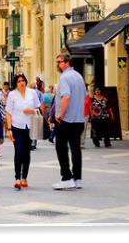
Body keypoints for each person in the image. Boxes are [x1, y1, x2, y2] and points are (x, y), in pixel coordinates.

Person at [52, 53, 87, 190]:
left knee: (60, 147)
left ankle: (66, 177)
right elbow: (84, 95)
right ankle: (77, 178)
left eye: (60, 62)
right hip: (78, 119)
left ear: (67, 62)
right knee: (75, 149)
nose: (58, 65)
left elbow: (66, 97)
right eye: (57, 62)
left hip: (66, 120)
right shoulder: (79, 76)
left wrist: (60, 114)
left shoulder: (65, 77)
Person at [5, 74, 41, 189]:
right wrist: (9, 129)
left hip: (30, 126)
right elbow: (8, 113)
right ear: (16, 83)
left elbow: (38, 108)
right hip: (16, 126)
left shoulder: (33, 93)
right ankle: (17, 178)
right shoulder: (12, 95)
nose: (21, 83)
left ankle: (24, 177)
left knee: (27, 152)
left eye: (23, 80)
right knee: (19, 150)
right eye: (19, 81)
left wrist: (31, 110)